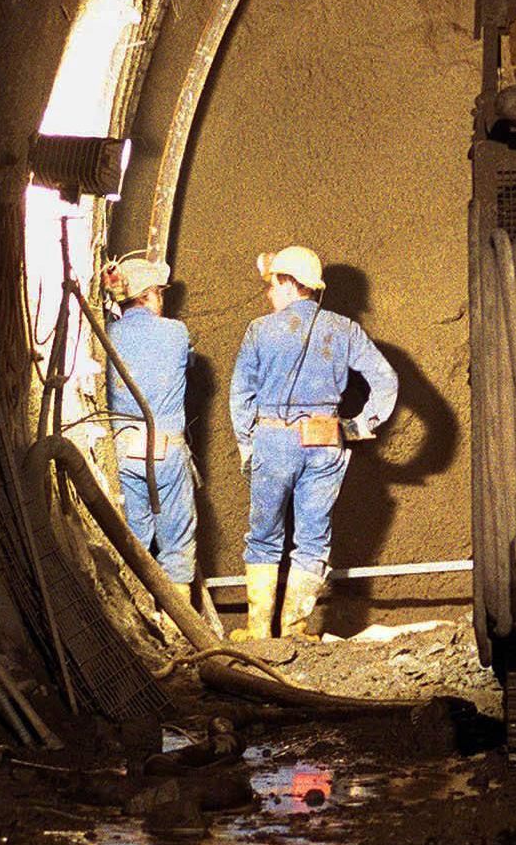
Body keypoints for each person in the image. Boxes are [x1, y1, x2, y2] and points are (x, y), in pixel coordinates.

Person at [229, 245, 398, 641]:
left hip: (272, 439)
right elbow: (386, 380)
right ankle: (293, 631)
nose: (269, 293)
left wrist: (246, 445)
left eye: (273, 284)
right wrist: (358, 426)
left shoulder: (259, 330)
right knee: (312, 539)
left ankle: (257, 632)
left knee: (264, 537)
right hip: (325, 441)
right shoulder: (344, 329)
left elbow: (241, 397)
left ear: (289, 283)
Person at [101, 253, 197, 605]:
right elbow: (188, 361)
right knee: (177, 543)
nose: (162, 299)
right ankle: (181, 629)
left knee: (133, 539)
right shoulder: (176, 332)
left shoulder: (106, 336)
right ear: (147, 295)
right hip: (167, 449)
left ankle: (141, 616)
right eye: (159, 292)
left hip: (124, 452)